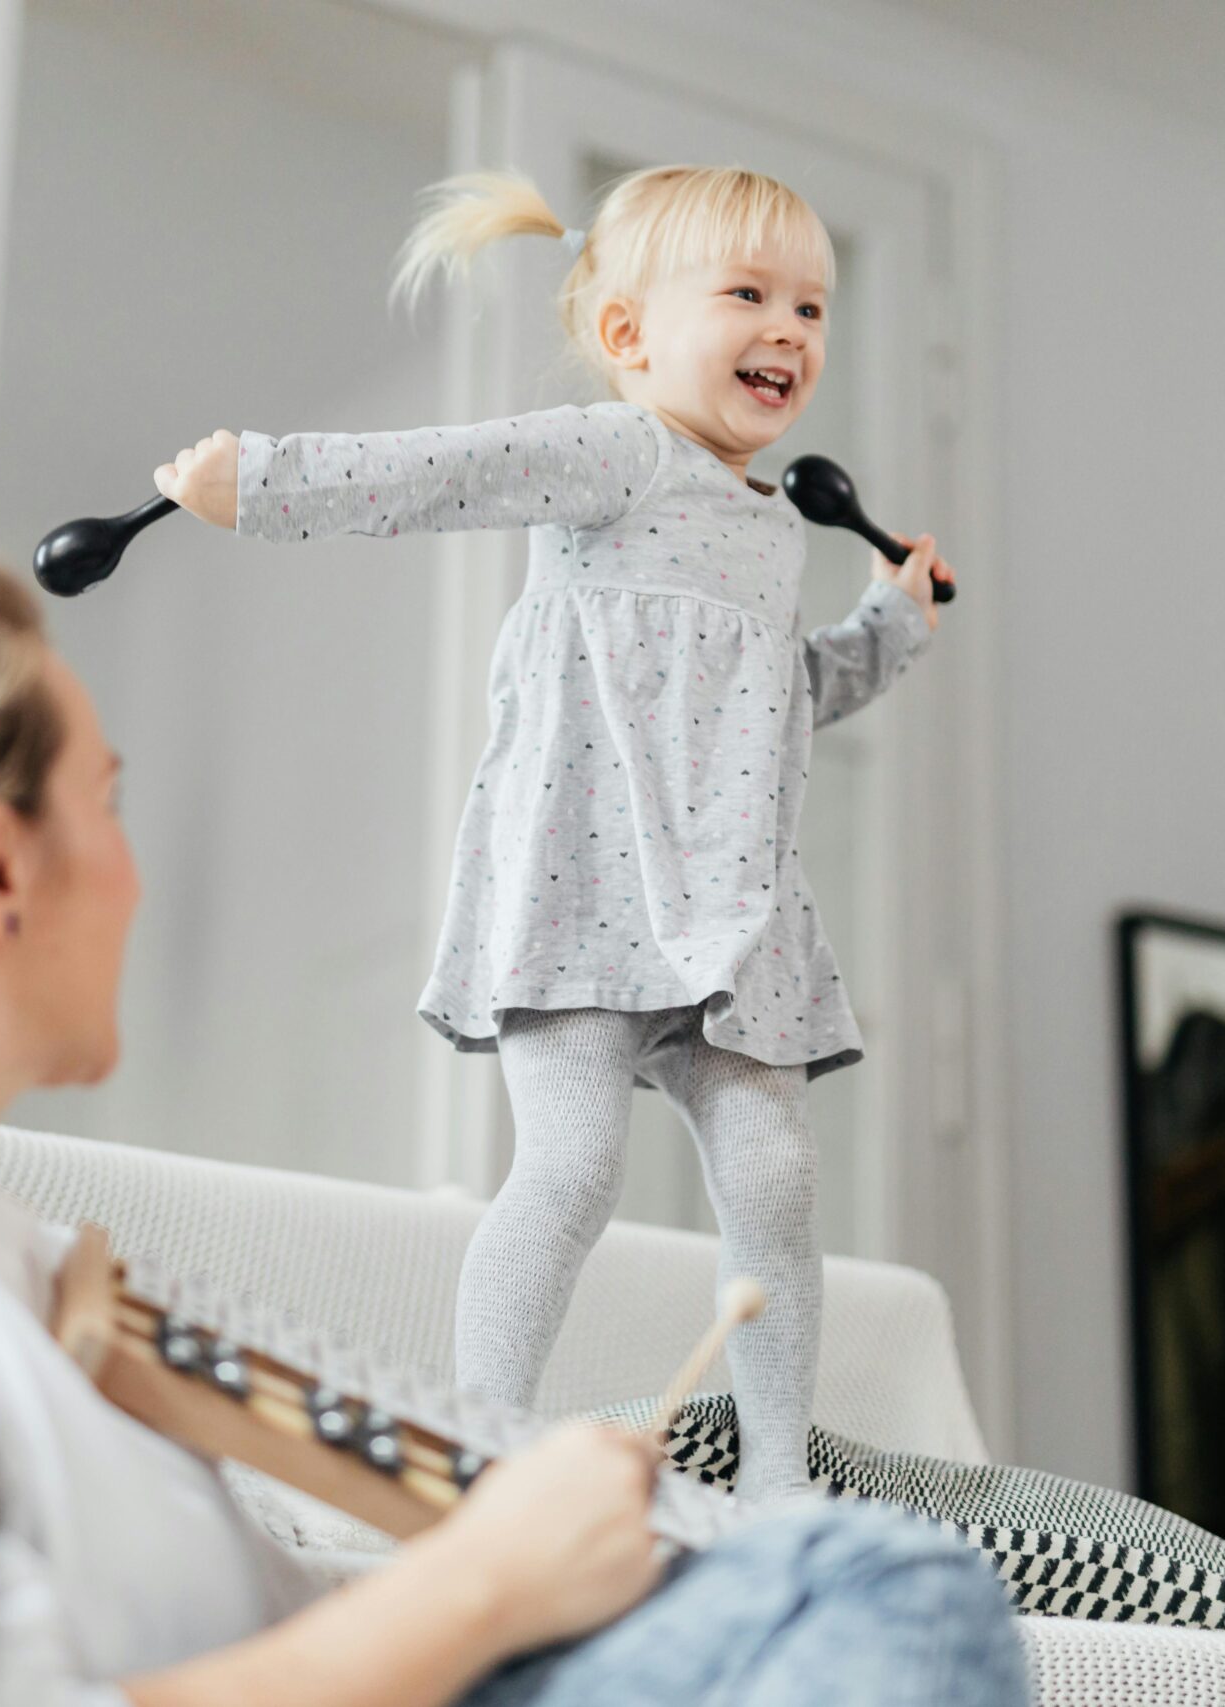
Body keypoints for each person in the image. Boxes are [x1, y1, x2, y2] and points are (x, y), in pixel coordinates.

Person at [0, 560, 1023, 1705]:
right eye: (111, 803)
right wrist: (489, 1585)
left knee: (825, 1578)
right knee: (879, 1590)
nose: (138, 878)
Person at [151, 166, 953, 1498]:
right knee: (573, 1169)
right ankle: (470, 1453)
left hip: (730, 914)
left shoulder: (772, 529)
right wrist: (267, 481)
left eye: (813, 306)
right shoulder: (614, 452)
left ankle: (772, 1482)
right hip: (589, 891)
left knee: (777, 1183)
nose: (793, 330)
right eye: (749, 295)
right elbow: (439, 474)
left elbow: (777, 704)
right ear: (632, 339)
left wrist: (891, 624)